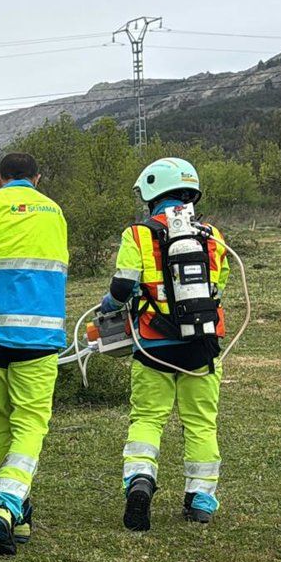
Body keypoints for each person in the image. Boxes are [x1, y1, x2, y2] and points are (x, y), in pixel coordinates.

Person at [100, 158, 230, 530]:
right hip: (202, 347)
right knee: (202, 424)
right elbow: (217, 288)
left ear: (152, 194)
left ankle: (140, 482)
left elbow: (122, 289)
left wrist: (108, 306)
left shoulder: (137, 235)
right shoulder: (213, 235)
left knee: (147, 419)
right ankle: (200, 500)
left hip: (153, 346)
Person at [0, 152, 68, 557]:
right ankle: (7, 504)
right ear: (37, 178)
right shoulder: (54, 212)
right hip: (38, 341)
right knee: (31, 424)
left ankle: (17, 516)